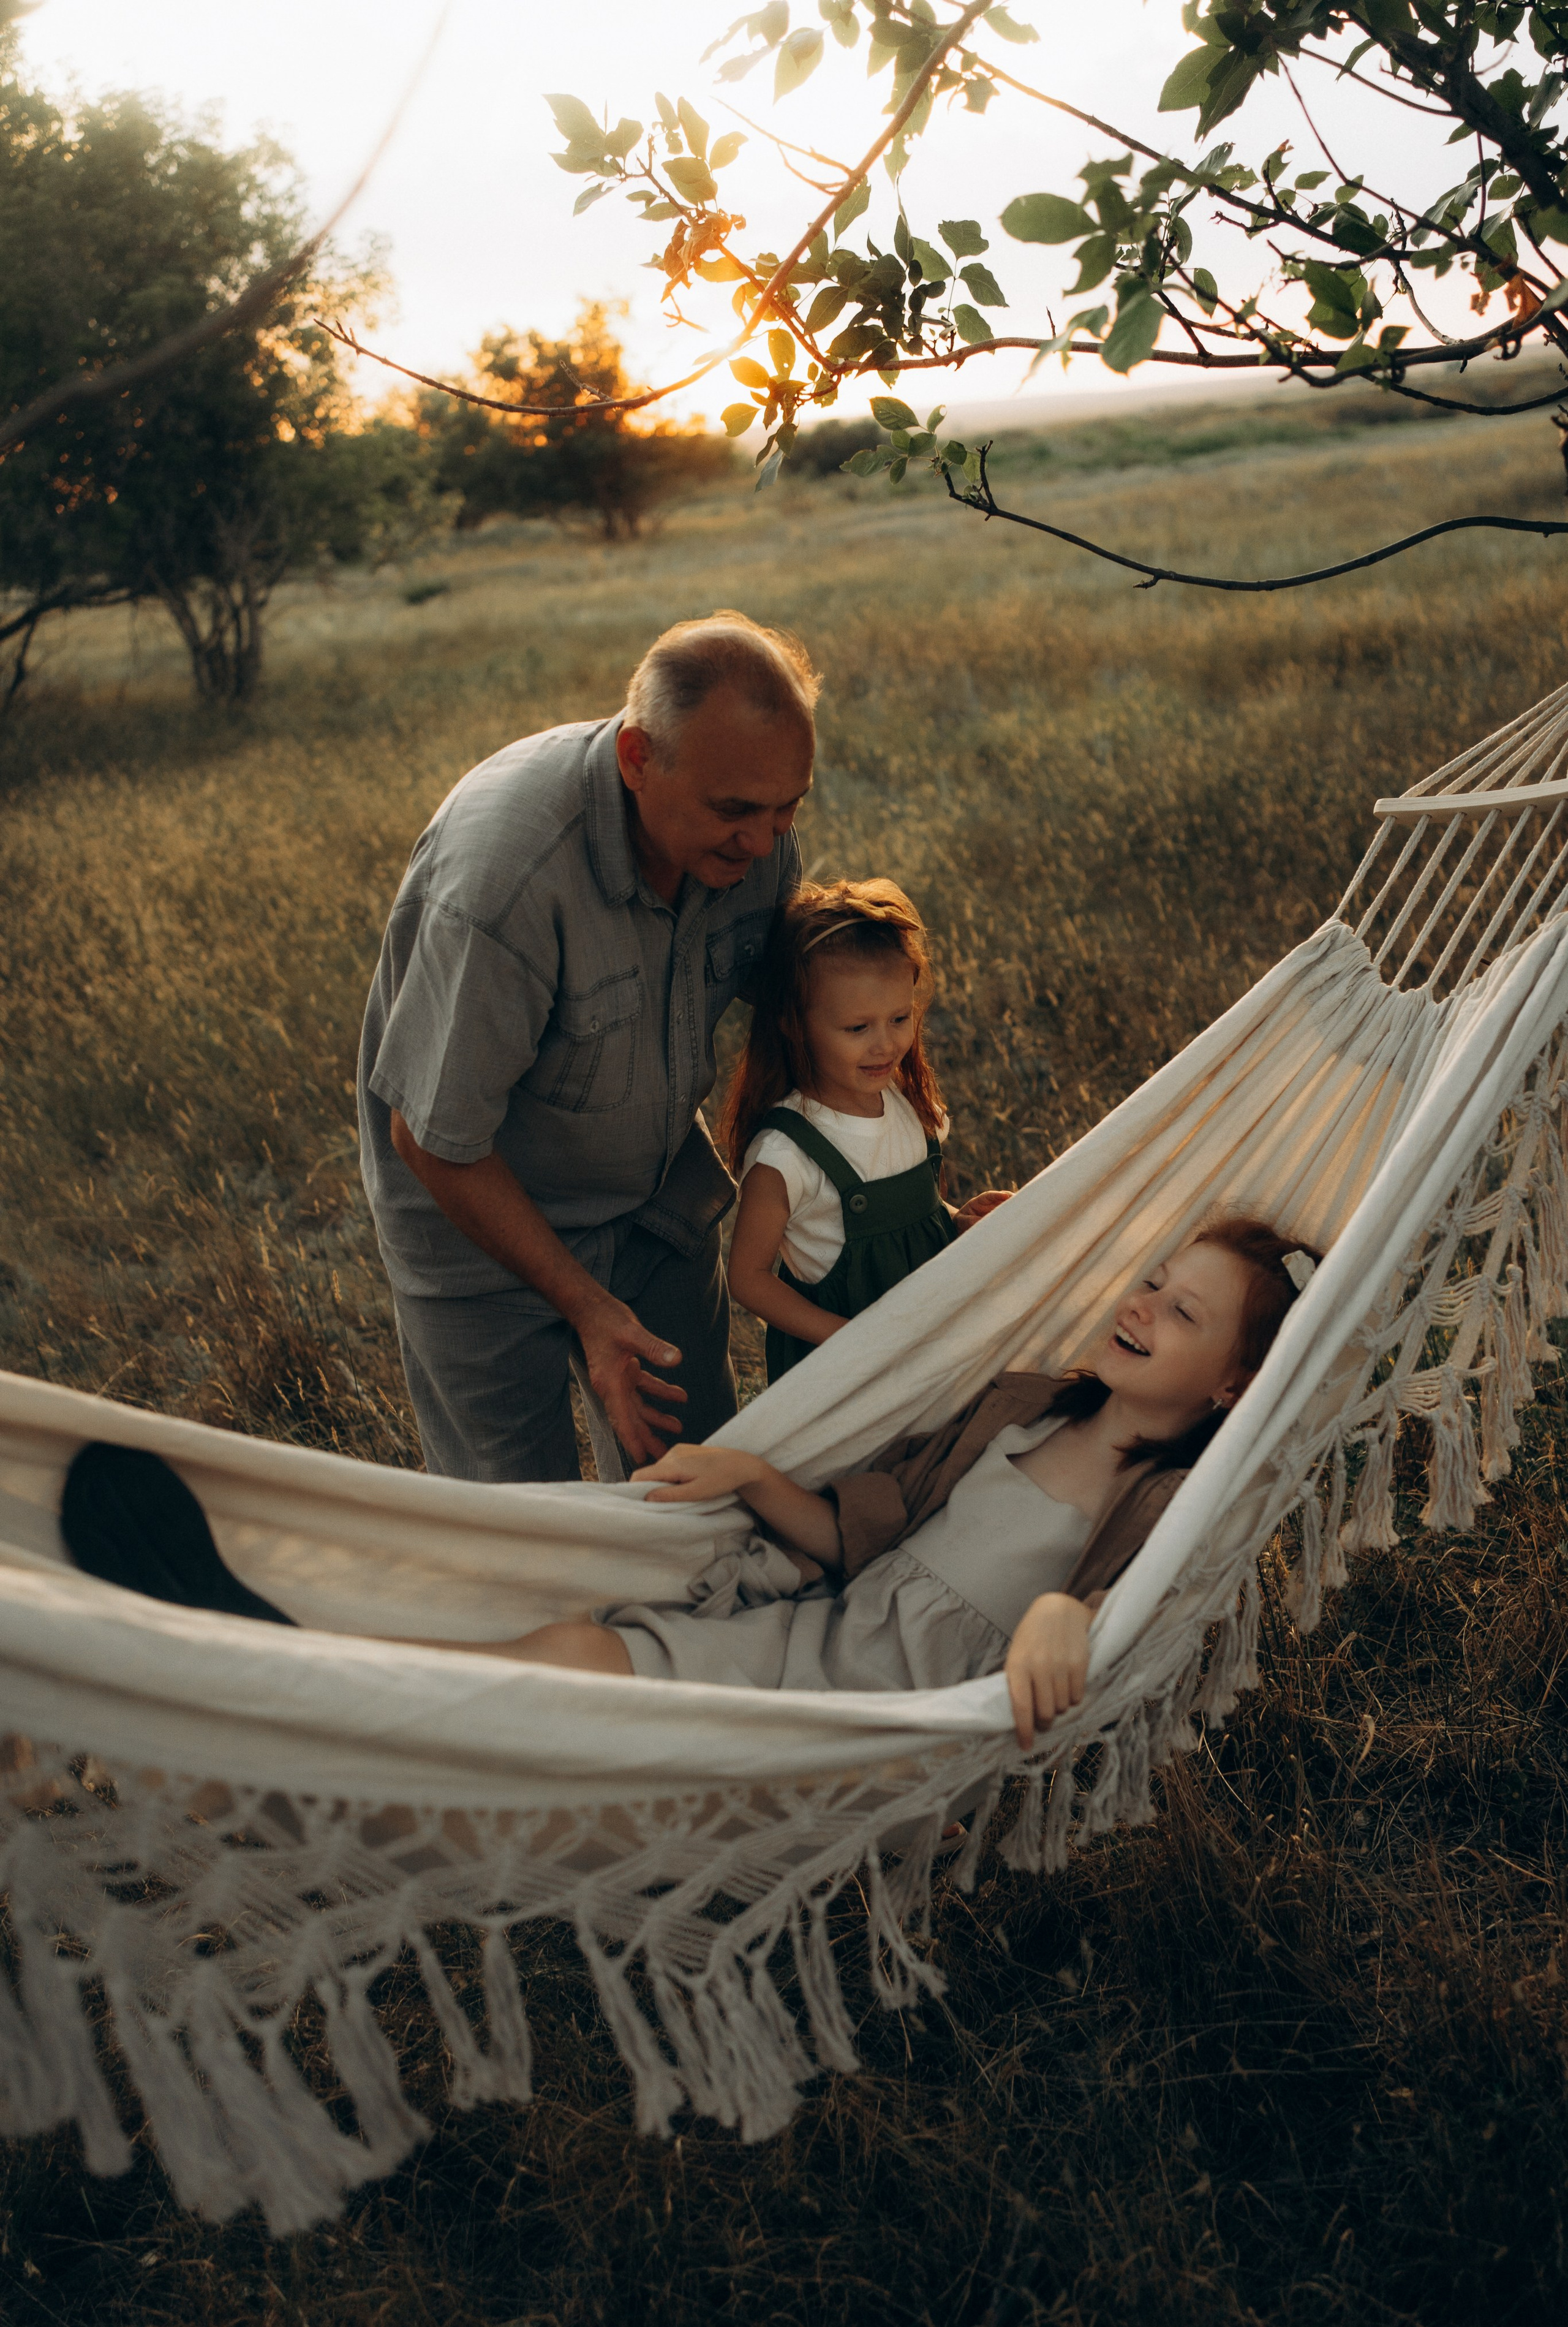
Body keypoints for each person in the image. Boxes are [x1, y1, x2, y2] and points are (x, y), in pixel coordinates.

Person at [59, 1219, 1319, 1754]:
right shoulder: (1019, 1403)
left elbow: (1120, 1622)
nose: (1140, 1303)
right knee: (558, 1639)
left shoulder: (1156, 1511)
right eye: (1146, 1278)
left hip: (859, 1732)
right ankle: (265, 1650)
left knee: (552, 1693)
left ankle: (262, 1680)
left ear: (1228, 1386)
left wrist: (1064, 1621)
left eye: (1181, 1308)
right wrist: (753, 1474)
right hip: (795, 1643)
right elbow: (852, 1535)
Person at [355, 611, 816, 1483]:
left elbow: (793, 1023)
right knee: (524, 1537)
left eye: (789, 807)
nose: (764, 844)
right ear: (638, 759)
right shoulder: (505, 880)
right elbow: (432, 1141)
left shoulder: (758, 841)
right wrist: (586, 1309)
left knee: (694, 1493)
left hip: (649, 1207)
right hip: (474, 1232)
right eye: (735, 812)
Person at [719, 880, 1011, 1382]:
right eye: (858, 1029)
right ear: (794, 1023)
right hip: (843, 1375)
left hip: (927, 1345)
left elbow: (900, 1229)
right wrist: (849, 1339)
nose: (885, 1045)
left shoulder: (903, 1103)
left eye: (900, 1018)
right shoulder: (787, 1153)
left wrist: (951, 1222)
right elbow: (748, 1279)